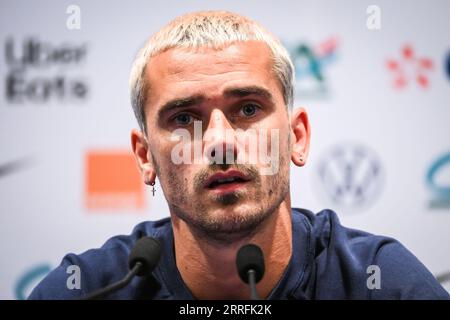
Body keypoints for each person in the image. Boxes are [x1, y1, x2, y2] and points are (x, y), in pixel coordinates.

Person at [29, 11, 449, 300]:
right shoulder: (84, 289)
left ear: (298, 137)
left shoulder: (384, 282)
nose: (220, 142)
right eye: (184, 117)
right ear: (145, 157)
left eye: (248, 109)